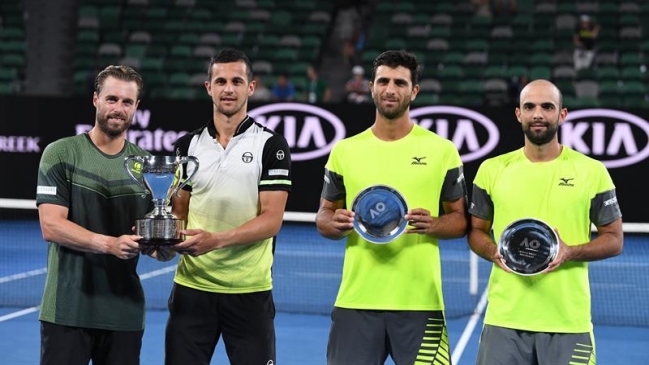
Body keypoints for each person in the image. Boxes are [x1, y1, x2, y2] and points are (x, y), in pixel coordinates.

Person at [315, 50, 468, 364]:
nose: (390, 89)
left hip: (421, 304)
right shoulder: (345, 152)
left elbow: (461, 221)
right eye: (383, 81)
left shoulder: (442, 152)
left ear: (414, 91)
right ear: (371, 86)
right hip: (356, 300)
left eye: (400, 83)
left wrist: (435, 224)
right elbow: (324, 217)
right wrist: (335, 223)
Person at [467, 79, 623, 365]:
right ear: (519, 114)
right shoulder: (492, 170)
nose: (538, 114)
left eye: (547, 107)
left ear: (561, 115)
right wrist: (493, 252)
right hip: (505, 320)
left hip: (568, 322)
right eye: (530, 107)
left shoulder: (592, 172)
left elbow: (614, 239)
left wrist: (570, 252)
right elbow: (475, 232)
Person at [35, 65, 170, 365]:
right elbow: (51, 226)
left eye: (126, 102)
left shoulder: (147, 165)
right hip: (67, 311)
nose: (118, 109)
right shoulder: (61, 153)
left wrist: (166, 245)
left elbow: (155, 247)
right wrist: (109, 244)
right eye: (111, 99)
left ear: (136, 108)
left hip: (124, 313)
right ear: (95, 99)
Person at [165, 48, 292, 365]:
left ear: (251, 87)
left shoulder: (270, 146)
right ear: (208, 87)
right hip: (191, 291)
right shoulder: (187, 146)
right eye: (220, 81)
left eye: (237, 80)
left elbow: (272, 220)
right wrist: (163, 239)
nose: (228, 88)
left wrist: (215, 240)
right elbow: (178, 213)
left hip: (249, 292)